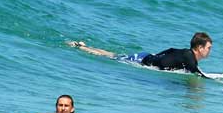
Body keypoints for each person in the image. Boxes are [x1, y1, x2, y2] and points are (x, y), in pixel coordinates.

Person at [67, 32, 214, 77]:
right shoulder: (190, 58)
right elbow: (196, 73)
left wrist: (157, 56)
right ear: (200, 48)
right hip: (142, 60)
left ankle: (85, 46)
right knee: (110, 56)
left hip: (146, 56)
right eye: (208, 47)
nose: (210, 50)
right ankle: (81, 47)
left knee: (113, 55)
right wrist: (216, 80)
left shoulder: (186, 53)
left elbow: (169, 50)